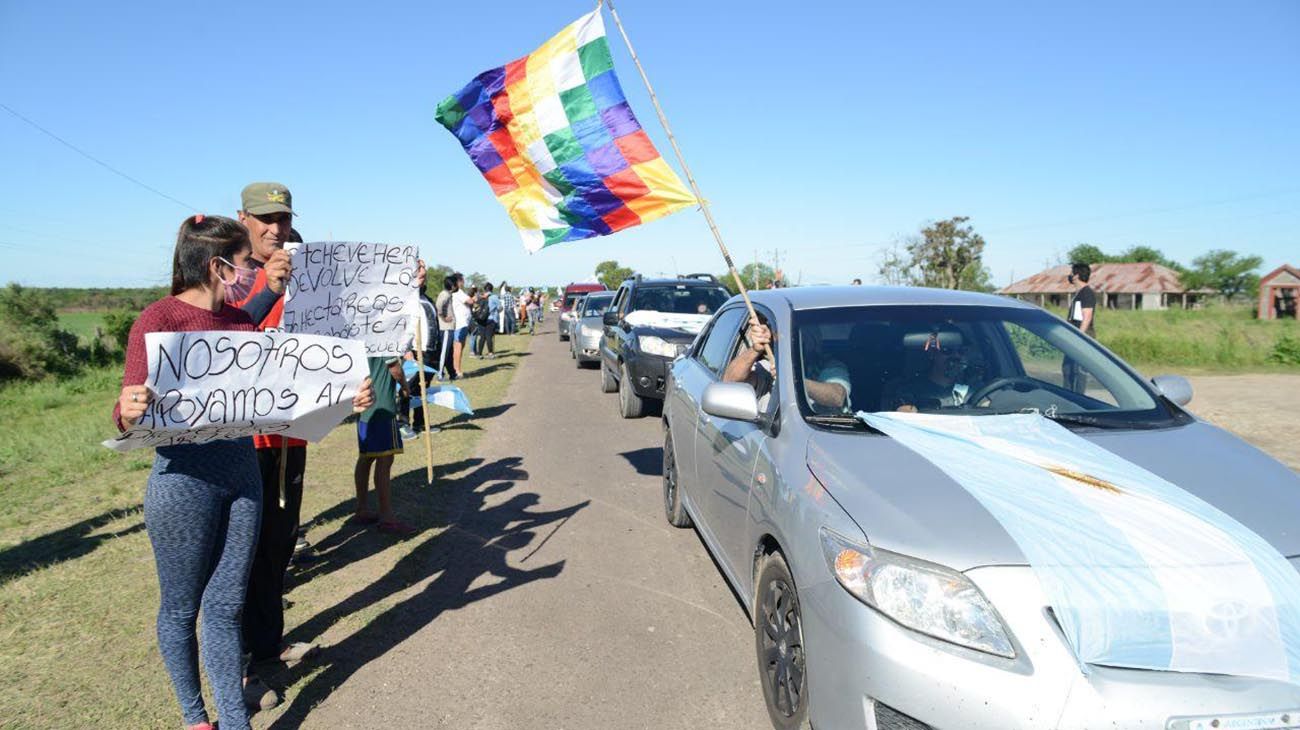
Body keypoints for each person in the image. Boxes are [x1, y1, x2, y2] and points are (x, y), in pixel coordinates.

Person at [115, 215, 373, 730]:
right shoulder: (158, 318)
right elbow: (125, 414)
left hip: (243, 482)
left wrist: (346, 400)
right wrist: (127, 409)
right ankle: (196, 718)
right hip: (183, 485)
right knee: (181, 610)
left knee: (228, 606)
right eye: (241, 262)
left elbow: (280, 394)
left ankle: (235, 722)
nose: (248, 268)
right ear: (217, 266)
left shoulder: (238, 323)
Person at [229, 183, 314, 710]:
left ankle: (267, 649)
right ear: (242, 218)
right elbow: (227, 342)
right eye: (265, 219)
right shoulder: (229, 279)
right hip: (244, 443)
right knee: (241, 554)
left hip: (292, 435)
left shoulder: (306, 280)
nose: (275, 229)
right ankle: (235, 666)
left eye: (282, 219)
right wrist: (270, 285)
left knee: (280, 545)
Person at [722, 317, 850, 413]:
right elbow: (730, 382)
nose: (800, 343)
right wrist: (756, 349)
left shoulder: (829, 366)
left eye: (809, 337)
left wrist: (791, 380)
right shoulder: (771, 366)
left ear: (818, 343)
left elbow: (837, 397)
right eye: (795, 337)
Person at [354, 353, 416, 535]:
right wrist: (405, 387)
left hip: (364, 405)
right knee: (384, 460)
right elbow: (394, 368)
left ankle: (362, 508)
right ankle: (387, 518)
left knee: (366, 458)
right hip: (382, 405)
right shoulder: (383, 334)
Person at [1063, 262, 1096, 392]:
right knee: (1068, 370)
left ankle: (1078, 400)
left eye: (1071, 273)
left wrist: (1079, 337)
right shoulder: (1079, 293)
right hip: (1074, 337)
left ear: (1076, 275)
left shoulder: (1087, 293)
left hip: (1081, 338)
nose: (1070, 276)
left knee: (1079, 373)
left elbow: (1087, 316)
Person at [435, 275, 456, 379]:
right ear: (452, 285)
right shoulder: (444, 294)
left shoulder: (448, 294)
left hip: (450, 328)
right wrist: (443, 318)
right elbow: (438, 307)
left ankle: (452, 373)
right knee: (444, 352)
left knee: (449, 352)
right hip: (445, 328)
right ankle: (440, 373)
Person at [451, 273, 472, 377]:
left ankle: (456, 369)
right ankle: (457, 370)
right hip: (460, 324)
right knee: (458, 347)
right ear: (458, 282)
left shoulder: (457, 292)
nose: (463, 282)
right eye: (462, 280)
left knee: (459, 347)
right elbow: (470, 301)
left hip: (461, 323)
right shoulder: (458, 292)